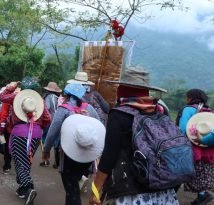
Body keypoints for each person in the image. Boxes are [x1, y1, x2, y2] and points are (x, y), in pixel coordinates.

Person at [89, 67, 180, 205]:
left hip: (132, 191)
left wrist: (96, 189)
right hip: (162, 189)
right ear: (146, 91)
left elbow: (109, 156)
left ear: (124, 89)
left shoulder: (119, 115)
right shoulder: (159, 112)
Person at [42, 83, 101, 205]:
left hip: (69, 155)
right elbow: (99, 127)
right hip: (87, 155)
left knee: (71, 189)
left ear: (67, 95)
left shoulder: (64, 109)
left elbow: (53, 131)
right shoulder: (90, 109)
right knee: (73, 187)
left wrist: (46, 149)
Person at [0, 77, 51, 205]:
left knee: (20, 161)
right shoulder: (40, 100)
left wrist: (11, 86)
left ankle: (28, 188)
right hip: (36, 134)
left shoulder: (16, 96)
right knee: (26, 161)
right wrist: (38, 127)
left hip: (19, 133)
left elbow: (1, 96)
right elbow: (48, 118)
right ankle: (22, 189)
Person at [177, 89, 214, 205]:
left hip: (192, 147)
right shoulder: (209, 111)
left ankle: (202, 195)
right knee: (202, 172)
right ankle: (202, 195)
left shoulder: (188, 109)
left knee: (184, 171)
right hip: (208, 148)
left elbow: (183, 129)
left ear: (190, 98)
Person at [40, 82, 62, 168]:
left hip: (49, 121)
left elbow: (47, 108)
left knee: (45, 139)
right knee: (57, 141)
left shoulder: (48, 97)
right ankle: (57, 163)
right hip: (58, 121)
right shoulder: (59, 98)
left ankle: (45, 160)